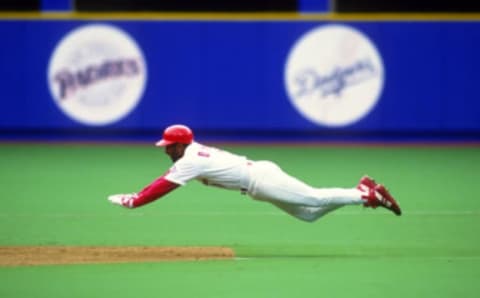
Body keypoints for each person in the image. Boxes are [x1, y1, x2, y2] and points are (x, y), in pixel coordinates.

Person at [108, 124, 401, 222]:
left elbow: (162, 186)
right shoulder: (191, 151)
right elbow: (164, 178)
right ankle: (360, 189)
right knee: (308, 215)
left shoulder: (189, 159)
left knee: (313, 198)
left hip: (260, 179)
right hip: (257, 179)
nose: (165, 149)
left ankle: (367, 195)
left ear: (180, 144)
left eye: (169, 145)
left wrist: (135, 200)